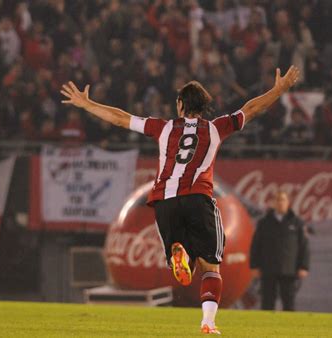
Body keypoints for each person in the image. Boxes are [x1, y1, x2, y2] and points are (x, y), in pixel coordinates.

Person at [60, 66, 300, 334]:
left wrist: (86, 103)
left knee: (185, 255)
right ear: (203, 106)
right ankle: (208, 322)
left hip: (164, 201)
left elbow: (120, 118)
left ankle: (181, 250)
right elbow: (252, 109)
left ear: (180, 104)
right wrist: (279, 89)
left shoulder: (162, 128)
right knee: (211, 267)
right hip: (198, 197)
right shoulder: (216, 128)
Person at [250, 191, 310, 311]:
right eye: (277, 200)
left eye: (283, 200)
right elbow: (256, 245)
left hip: (288, 269)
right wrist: (254, 265)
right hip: (268, 268)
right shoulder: (265, 222)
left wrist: (304, 266)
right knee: (267, 302)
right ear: (273, 203)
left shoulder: (296, 223)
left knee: (288, 302)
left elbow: (304, 246)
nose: (280, 203)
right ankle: (266, 327)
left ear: (288, 203)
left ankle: (288, 327)